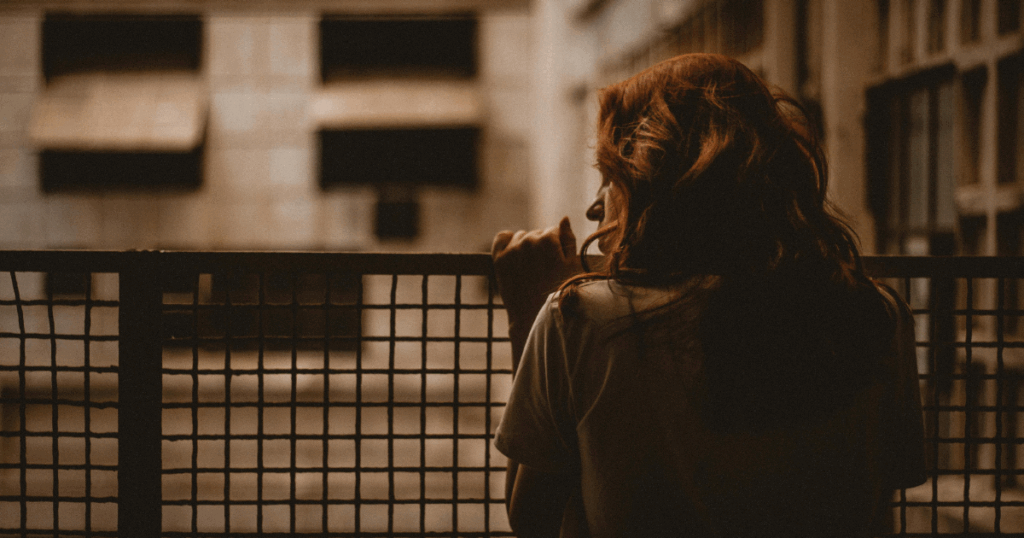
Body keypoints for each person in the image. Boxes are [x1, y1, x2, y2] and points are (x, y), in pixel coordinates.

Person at [490, 53, 926, 538]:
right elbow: (886, 483)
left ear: (655, 177)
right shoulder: (876, 315)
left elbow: (530, 517)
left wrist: (528, 311)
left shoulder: (583, 322)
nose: (596, 208)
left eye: (611, 177)